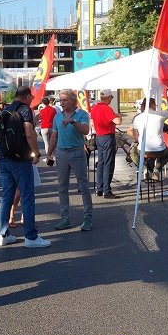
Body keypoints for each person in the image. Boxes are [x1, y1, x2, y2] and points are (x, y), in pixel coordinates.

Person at [0, 86, 51, 248]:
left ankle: (3, 234)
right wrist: (36, 153)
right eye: (31, 97)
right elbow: (29, 133)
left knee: (6, 197)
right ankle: (31, 237)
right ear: (27, 96)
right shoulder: (25, 110)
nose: (32, 100)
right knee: (27, 197)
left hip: (4, 157)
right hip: (20, 159)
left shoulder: (6, 110)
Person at [46, 89, 93, 232]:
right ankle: (65, 218)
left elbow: (85, 130)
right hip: (61, 153)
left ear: (73, 101)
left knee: (83, 186)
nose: (62, 103)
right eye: (60, 100)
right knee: (62, 187)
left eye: (65, 100)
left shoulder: (81, 114)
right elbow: (54, 136)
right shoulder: (58, 117)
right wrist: (49, 154)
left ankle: (88, 218)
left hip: (77, 152)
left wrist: (73, 121)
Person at [128, 98, 168, 180]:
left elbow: (135, 136)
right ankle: (157, 169)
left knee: (132, 152)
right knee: (167, 153)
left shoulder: (137, 117)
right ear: (153, 105)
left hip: (143, 150)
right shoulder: (160, 114)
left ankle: (144, 169)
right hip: (159, 150)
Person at [90, 89, 122, 199]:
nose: (111, 100)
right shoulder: (107, 108)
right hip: (107, 137)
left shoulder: (95, 108)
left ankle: (99, 188)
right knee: (108, 163)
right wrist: (119, 116)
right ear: (108, 98)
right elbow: (118, 122)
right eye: (111, 98)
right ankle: (107, 190)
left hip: (99, 136)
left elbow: (92, 121)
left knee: (101, 163)